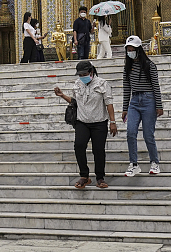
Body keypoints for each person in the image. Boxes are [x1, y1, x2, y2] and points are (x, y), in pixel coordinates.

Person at [54, 60, 117, 189]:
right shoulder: (77, 84)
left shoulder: (102, 84)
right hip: (82, 121)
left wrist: (113, 122)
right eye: (80, 74)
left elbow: (109, 104)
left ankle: (100, 177)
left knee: (98, 150)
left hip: (99, 122)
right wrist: (62, 95)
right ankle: (84, 175)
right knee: (79, 145)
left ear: (91, 72)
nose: (82, 77)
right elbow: (75, 101)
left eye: (84, 74)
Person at [122, 35, 163, 176]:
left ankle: (154, 162)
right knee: (130, 132)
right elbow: (126, 88)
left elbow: (156, 86)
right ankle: (133, 164)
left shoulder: (149, 65)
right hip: (134, 101)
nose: (130, 51)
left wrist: (159, 105)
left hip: (148, 99)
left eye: (132, 49)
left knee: (148, 134)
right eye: (128, 49)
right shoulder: (128, 67)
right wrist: (124, 108)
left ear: (139, 49)